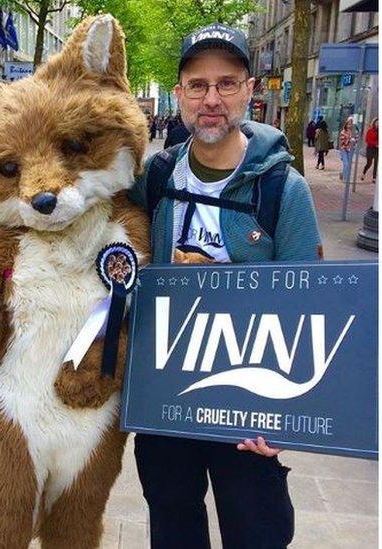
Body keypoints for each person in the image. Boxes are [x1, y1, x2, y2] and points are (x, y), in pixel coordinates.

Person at [128, 22, 322, 549]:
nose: (211, 99)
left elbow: (311, 305)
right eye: (198, 85)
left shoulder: (285, 187)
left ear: (250, 90)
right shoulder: (157, 176)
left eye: (227, 83)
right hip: (169, 394)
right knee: (172, 521)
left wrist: (288, 418)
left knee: (256, 530)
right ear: (180, 94)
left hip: (250, 404)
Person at [338, 116, 356, 182]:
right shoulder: (343, 132)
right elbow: (343, 142)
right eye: (349, 123)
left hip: (351, 150)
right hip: (344, 149)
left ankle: (343, 174)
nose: (350, 125)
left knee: (349, 164)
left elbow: (356, 140)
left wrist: (354, 141)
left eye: (351, 124)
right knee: (346, 164)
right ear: (346, 124)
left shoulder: (353, 132)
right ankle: (345, 179)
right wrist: (350, 140)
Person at [361, 117, 378, 183]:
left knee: (376, 163)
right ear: (374, 123)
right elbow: (367, 140)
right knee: (369, 163)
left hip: (377, 149)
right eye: (377, 123)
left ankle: (374, 178)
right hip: (370, 148)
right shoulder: (370, 130)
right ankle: (363, 173)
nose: (378, 124)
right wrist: (375, 144)